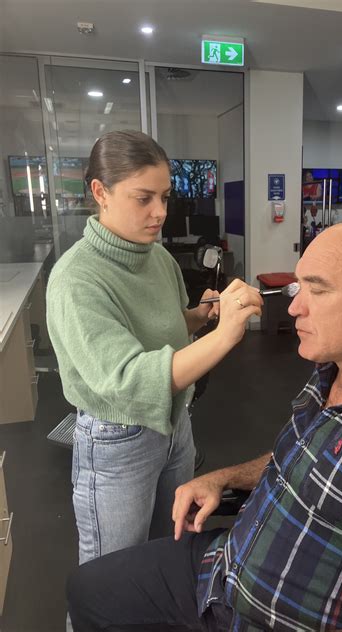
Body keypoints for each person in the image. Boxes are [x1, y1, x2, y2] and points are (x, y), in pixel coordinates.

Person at [67, 221, 342, 631]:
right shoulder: (334, 369)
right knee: (88, 589)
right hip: (224, 566)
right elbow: (307, 456)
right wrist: (225, 478)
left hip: (269, 616)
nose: (295, 307)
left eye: (318, 290)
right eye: (298, 288)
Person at [46, 130, 262, 566]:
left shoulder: (158, 258)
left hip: (174, 424)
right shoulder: (77, 279)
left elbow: (161, 328)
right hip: (117, 437)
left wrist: (199, 316)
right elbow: (129, 379)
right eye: (143, 198)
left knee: (168, 547)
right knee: (112, 571)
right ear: (100, 192)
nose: (160, 212)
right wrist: (223, 336)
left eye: (164, 197)